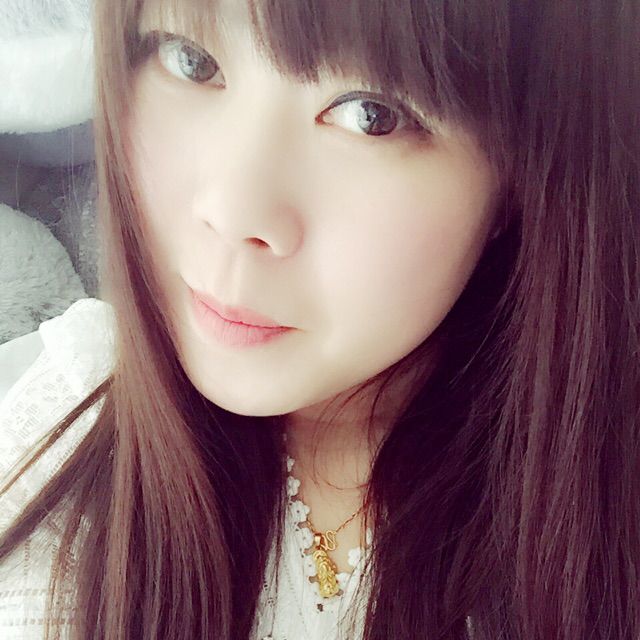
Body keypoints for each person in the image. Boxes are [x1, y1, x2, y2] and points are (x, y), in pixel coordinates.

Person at [0, 0, 638, 638]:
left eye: (371, 116)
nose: (234, 212)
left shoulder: (594, 517)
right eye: (191, 60)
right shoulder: (49, 425)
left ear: (520, 176)